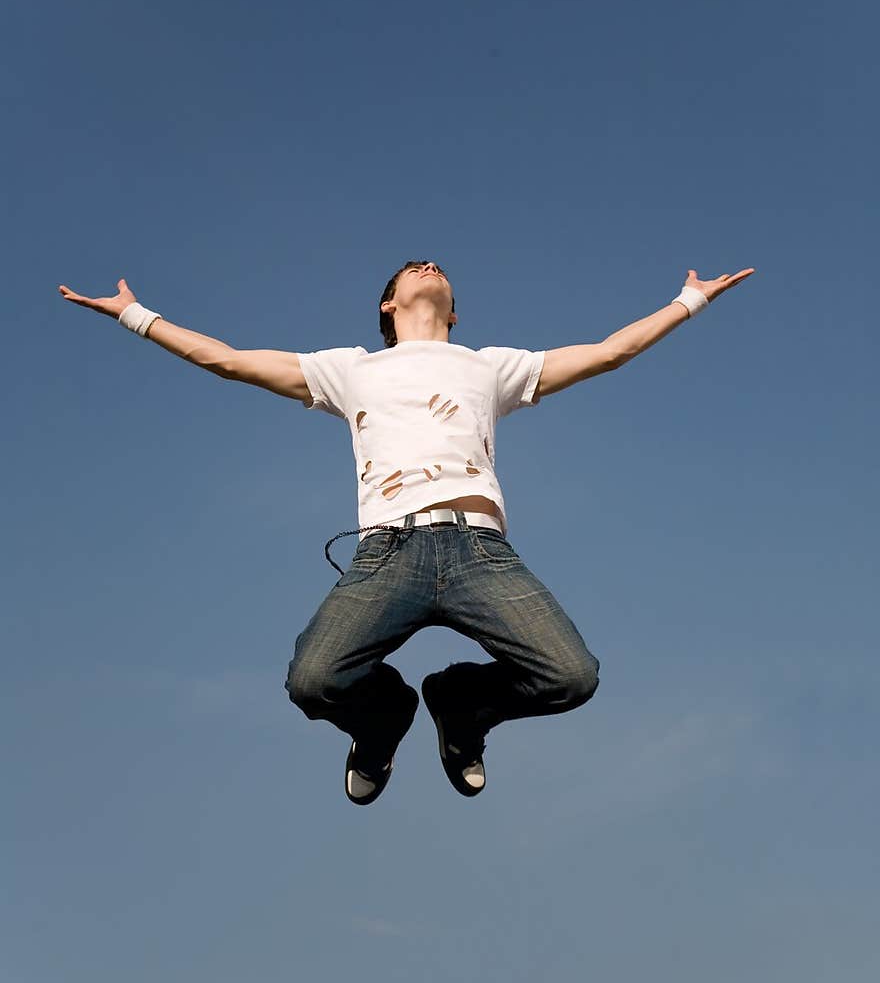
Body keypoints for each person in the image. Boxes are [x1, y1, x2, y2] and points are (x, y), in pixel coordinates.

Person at [58, 258, 754, 806]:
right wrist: (135, 315)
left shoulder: (490, 367)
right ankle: (384, 720)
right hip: (389, 551)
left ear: (456, 309)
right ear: (388, 306)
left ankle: (460, 704)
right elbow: (231, 360)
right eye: (409, 269)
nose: (426, 265)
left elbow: (607, 352)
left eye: (436, 267)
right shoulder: (350, 370)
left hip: (480, 550)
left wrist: (687, 301)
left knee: (571, 675)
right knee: (313, 680)